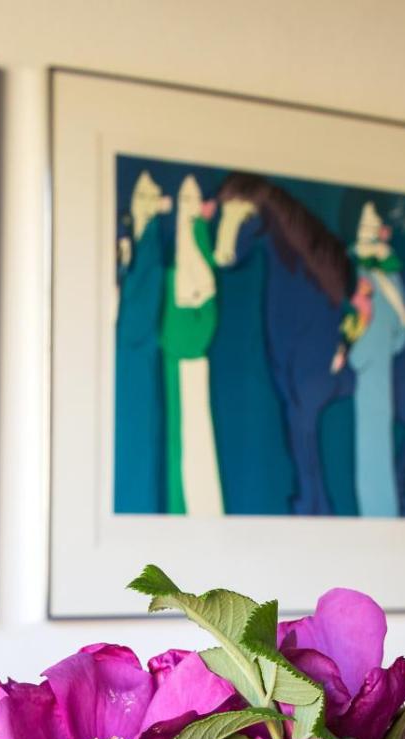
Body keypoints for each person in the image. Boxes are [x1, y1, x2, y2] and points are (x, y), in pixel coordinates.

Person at [333, 194, 405, 516]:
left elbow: (402, 319)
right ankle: (370, 511)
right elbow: (346, 317)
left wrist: (393, 339)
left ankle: (382, 512)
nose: (371, 231)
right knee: (365, 439)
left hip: (381, 363)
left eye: (375, 224)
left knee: (379, 437)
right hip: (361, 360)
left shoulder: (387, 269)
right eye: (365, 225)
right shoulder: (350, 268)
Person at [160, 174, 222, 515]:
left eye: (192, 202)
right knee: (179, 441)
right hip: (175, 360)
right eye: (184, 202)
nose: (188, 209)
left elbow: (206, 310)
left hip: (191, 360)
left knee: (195, 437)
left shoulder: (198, 250)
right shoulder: (173, 258)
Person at [114, 171, 171, 512]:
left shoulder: (151, 248)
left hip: (139, 357)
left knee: (140, 439)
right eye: (140, 197)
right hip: (127, 357)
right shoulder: (132, 243)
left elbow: (143, 311)